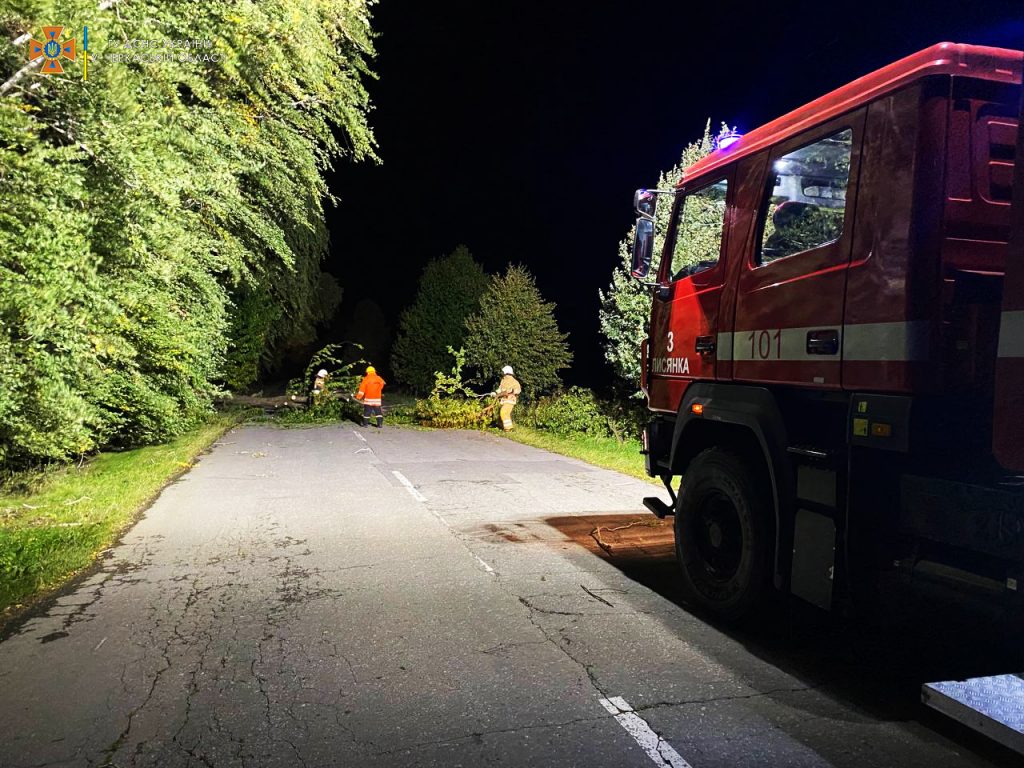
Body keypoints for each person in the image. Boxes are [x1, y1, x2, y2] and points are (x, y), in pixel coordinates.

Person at [494, 365, 522, 432]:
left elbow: (518, 390)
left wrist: (511, 391)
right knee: (502, 413)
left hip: (510, 400)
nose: (503, 374)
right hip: (504, 400)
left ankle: (509, 428)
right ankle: (501, 426)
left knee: (503, 412)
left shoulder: (514, 382)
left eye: (504, 372)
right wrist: (495, 393)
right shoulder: (503, 381)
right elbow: (500, 389)